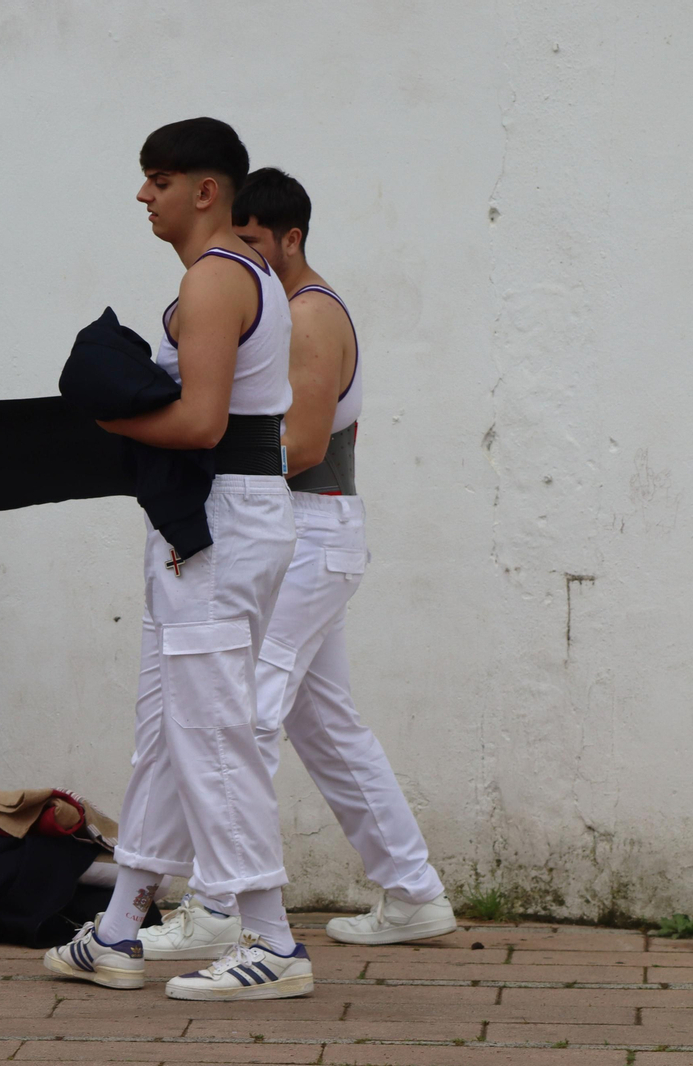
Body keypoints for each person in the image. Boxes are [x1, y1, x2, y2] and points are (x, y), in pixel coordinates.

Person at [141, 168, 455, 957]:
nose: (242, 257)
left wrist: (203, 465)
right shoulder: (278, 308)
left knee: (240, 714)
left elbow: (305, 444)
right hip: (307, 533)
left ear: (292, 237)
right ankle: (414, 892)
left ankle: (219, 905)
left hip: (309, 533)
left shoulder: (309, 314)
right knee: (327, 727)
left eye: (254, 242)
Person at [44, 118, 311, 1000]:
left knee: (209, 732)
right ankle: (119, 928)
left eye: (158, 180)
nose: (143, 195)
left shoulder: (215, 279)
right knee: (168, 729)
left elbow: (198, 422)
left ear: (205, 190)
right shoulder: (240, 275)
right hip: (219, 522)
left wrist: (103, 418)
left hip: (221, 525)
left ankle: (272, 942)